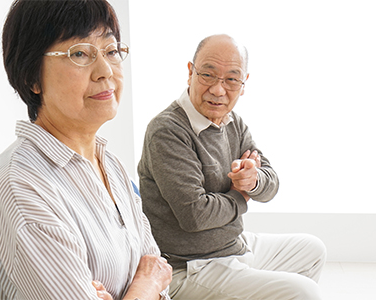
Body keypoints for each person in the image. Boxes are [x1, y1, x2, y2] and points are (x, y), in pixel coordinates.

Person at [0, 1, 171, 299]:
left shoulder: (112, 165)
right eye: (80, 53)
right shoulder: (20, 184)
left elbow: (157, 270)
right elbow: (153, 280)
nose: (105, 71)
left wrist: (150, 284)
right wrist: (145, 287)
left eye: (111, 51)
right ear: (31, 77)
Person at [138, 34, 326, 300]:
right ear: (191, 73)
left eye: (231, 79)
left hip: (233, 247)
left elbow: (270, 183)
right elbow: (195, 215)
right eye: (208, 75)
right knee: (304, 292)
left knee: (312, 249)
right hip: (190, 267)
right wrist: (241, 196)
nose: (218, 89)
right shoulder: (167, 130)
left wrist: (254, 179)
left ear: (243, 83)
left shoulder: (233, 123)